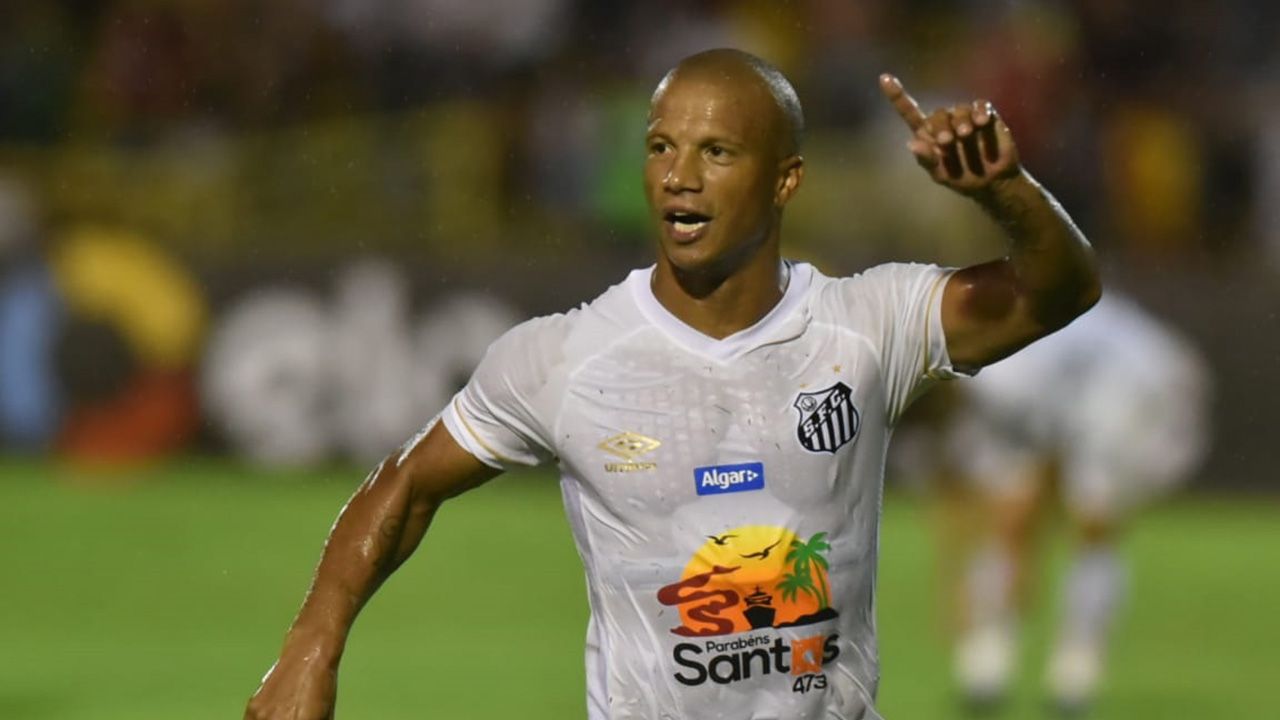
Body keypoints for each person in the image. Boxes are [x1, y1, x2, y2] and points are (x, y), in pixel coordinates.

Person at [245, 48, 1100, 720]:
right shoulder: (562, 358)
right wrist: (311, 647)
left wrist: (1004, 192)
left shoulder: (868, 325)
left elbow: (1061, 293)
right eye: (661, 147)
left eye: (716, 152)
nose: (678, 177)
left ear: (785, 179)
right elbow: (404, 485)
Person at [939, 291, 1210, 716]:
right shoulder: (1013, 358)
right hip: (1109, 393)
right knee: (1029, 526)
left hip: (1118, 402)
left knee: (1081, 526)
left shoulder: (999, 369)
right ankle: (997, 662)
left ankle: (1066, 666)